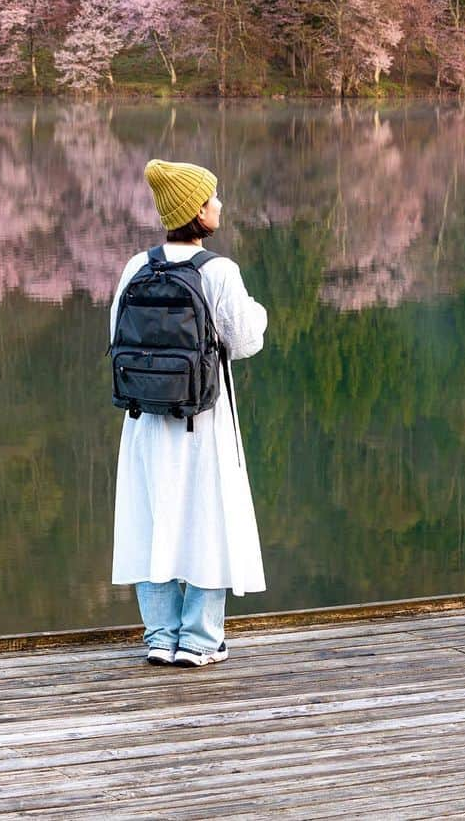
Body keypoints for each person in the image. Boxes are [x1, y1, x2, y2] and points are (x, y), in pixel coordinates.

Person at [110, 158, 268, 667]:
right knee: (208, 518)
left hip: (144, 419)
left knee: (152, 518)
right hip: (202, 420)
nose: (218, 204)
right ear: (196, 213)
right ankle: (199, 641)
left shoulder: (137, 267)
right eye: (211, 198)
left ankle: (160, 636)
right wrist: (260, 314)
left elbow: (116, 334)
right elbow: (244, 341)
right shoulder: (219, 272)